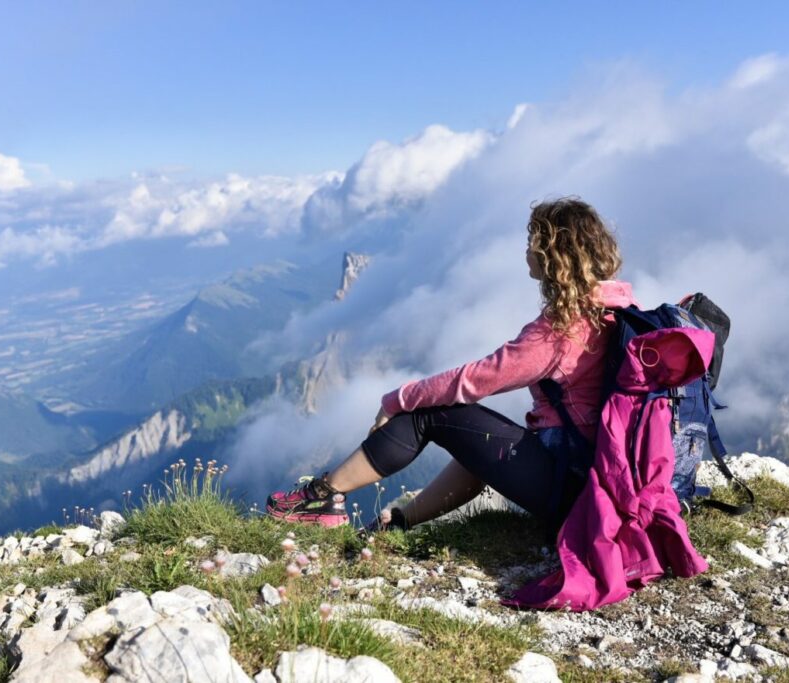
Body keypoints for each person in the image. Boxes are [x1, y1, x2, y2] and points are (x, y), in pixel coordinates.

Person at [266, 197, 638, 531]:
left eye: (532, 242)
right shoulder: (618, 310)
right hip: (598, 483)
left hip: (573, 490)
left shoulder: (561, 330)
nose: (526, 250)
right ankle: (398, 523)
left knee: (427, 412)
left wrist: (397, 399)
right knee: (477, 438)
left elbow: (477, 379)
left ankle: (324, 497)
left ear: (552, 255)